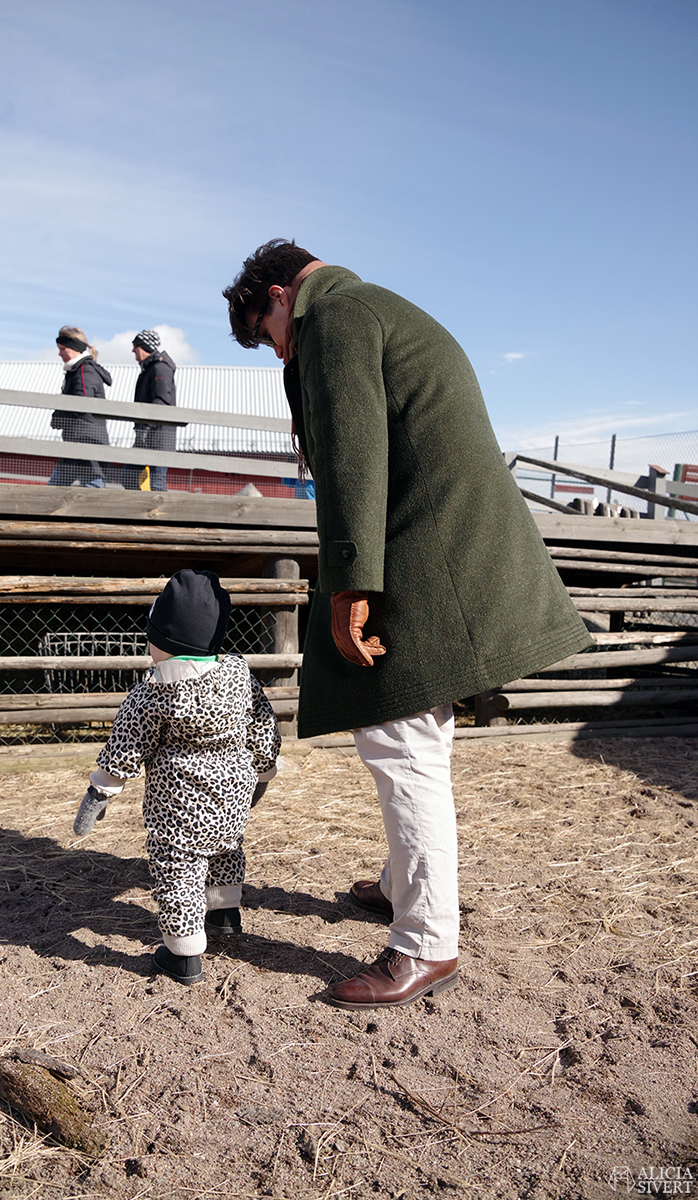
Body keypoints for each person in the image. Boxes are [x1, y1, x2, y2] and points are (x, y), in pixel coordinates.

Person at [223, 239, 593, 1011]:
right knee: (417, 731)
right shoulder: (374, 307)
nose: (276, 351)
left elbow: (355, 455)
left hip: (423, 552)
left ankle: (427, 942)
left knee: (399, 739)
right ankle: (400, 885)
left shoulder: (335, 320)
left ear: (279, 295)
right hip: (443, 545)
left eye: (268, 335)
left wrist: (351, 585)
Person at [72, 569, 281, 985]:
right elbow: (263, 726)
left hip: (180, 811)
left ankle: (182, 954)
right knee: (225, 850)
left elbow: (124, 749)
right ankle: (223, 914)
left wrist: (99, 794)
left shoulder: (152, 694)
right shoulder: (240, 676)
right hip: (233, 798)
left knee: (178, 872)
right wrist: (265, 770)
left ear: (165, 641)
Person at [48, 326, 111, 488]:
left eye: (63, 349)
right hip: (77, 438)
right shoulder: (77, 370)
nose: (59, 353)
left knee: (91, 484)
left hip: (86, 440)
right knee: (57, 486)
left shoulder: (85, 371)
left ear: (75, 349)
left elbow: (82, 403)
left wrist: (60, 416)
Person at [121, 329, 178, 492]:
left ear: (144, 346)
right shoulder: (149, 369)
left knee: (156, 482)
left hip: (158, 436)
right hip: (146, 435)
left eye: (135, 346)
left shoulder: (160, 368)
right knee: (129, 476)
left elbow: (162, 400)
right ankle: (142, 510)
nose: (133, 350)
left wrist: (146, 425)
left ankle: (159, 516)